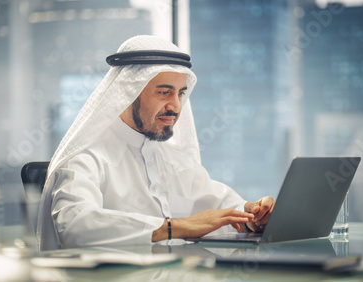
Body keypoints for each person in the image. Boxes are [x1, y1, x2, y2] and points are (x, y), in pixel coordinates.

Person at [36, 35, 274, 251]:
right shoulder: (87, 157)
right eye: (164, 92)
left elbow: (218, 208)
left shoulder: (176, 161)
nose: (176, 107)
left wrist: (252, 217)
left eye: (180, 93)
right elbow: (75, 226)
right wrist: (172, 227)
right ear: (128, 92)